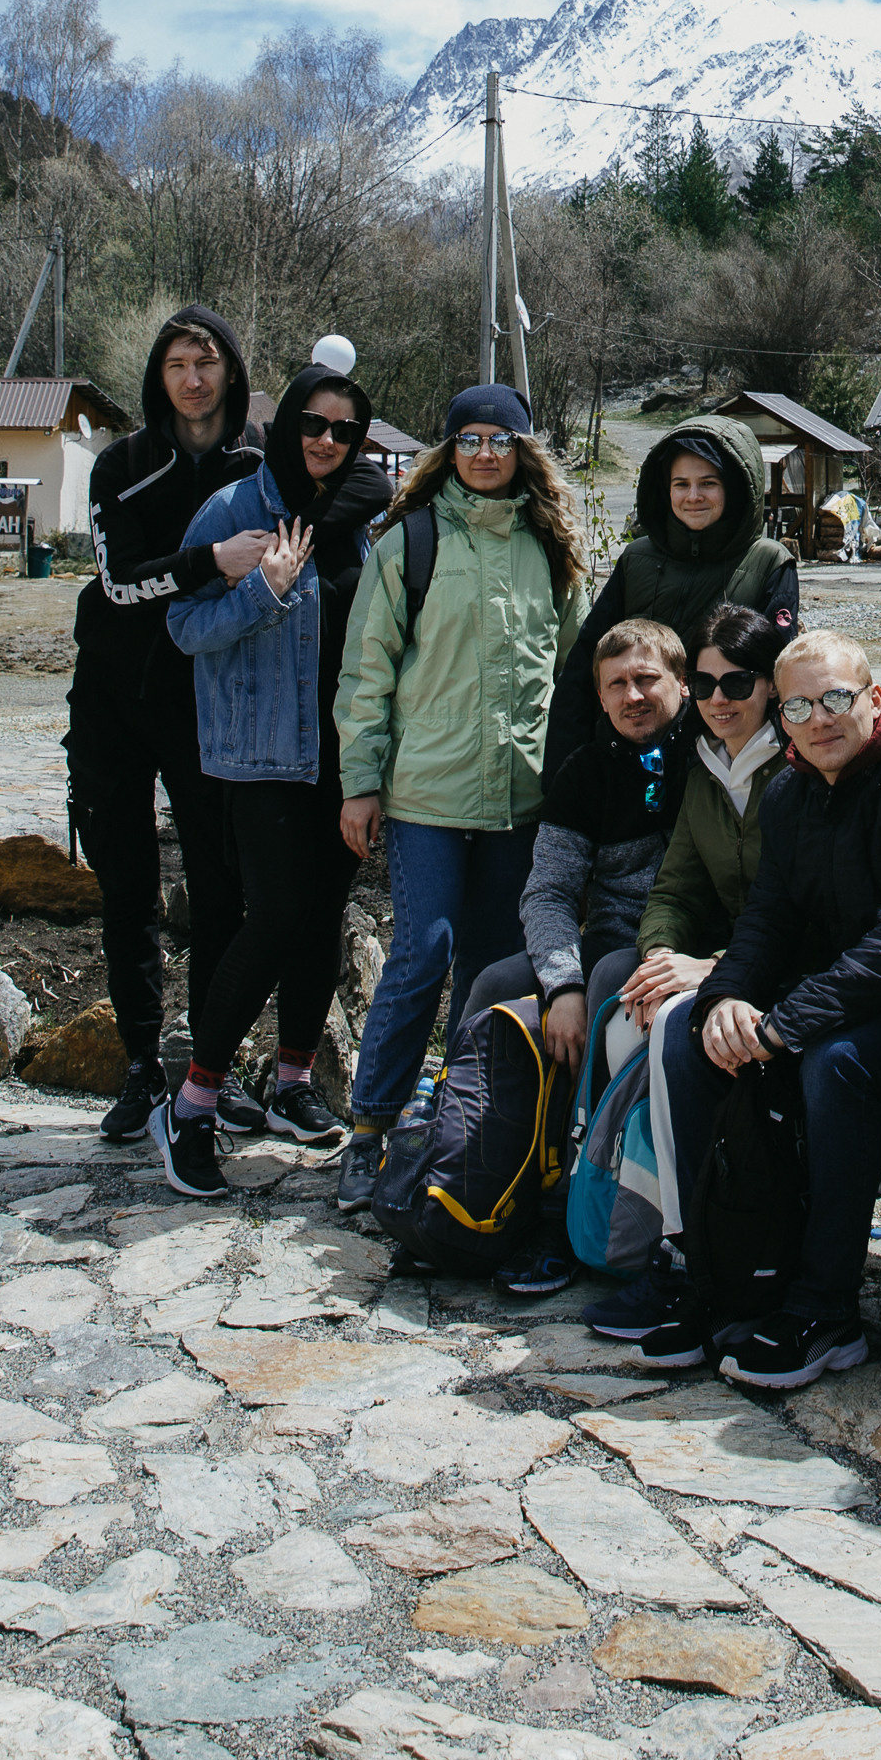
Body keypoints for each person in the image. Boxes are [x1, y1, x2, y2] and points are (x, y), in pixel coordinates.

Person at [655, 630, 881, 1390]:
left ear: (874, 697)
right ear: (783, 718)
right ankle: (726, 1279)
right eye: (798, 707)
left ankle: (825, 1308)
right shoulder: (794, 792)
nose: (819, 719)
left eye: (836, 698)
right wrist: (727, 998)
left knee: (835, 1064)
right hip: (841, 1001)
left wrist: (783, 1025)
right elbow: (767, 919)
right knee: (689, 1038)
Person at [331, 385, 587, 1212]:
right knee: (422, 954)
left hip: (521, 797)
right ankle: (369, 1128)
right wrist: (360, 784)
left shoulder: (548, 547)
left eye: (500, 439)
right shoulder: (410, 541)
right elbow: (366, 673)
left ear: (522, 450)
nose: (484, 453)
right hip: (426, 795)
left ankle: (464, 1121)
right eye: (469, 439)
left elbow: (575, 674)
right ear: (448, 450)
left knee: (492, 967)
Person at [155, 368, 386, 1197]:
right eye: (314, 424)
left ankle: (291, 1083)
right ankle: (191, 1104)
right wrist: (263, 588)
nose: (326, 440)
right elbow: (183, 627)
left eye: (344, 430)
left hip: (342, 758)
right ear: (287, 423)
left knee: (322, 918)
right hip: (261, 754)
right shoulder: (234, 511)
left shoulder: (358, 518)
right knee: (276, 918)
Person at [65, 308, 265, 1145]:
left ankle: (211, 1066)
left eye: (206, 362)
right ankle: (142, 1065)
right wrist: (210, 563)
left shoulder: (260, 460)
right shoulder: (121, 464)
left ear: (230, 373)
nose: (193, 378)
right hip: (112, 702)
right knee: (128, 889)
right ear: (159, 375)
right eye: (178, 364)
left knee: (221, 891)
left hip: (210, 706)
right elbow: (118, 582)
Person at [454, 619, 695, 1298]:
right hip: (601, 943)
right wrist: (561, 985)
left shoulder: (709, 757)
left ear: (681, 684)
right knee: (495, 985)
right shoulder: (587, 771)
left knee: (612, 988)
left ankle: (566, 1215)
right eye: (616, 684)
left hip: (677, 951)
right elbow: (549, 892)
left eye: (647, 679)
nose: (633, 696)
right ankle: (474, 1180)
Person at [580, 601, 788, 1348]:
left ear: (769, 684)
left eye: (737, 682)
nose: (719, 699)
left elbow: (806, 912)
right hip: (723, 963)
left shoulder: (796, 767)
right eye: (704, 685)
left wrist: (711, 969)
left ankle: (688, 1248)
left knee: (674, 1028)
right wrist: (658, 959)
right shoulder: (706, 768)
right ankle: (631, 1230)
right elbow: (674, 888)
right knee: (628, 1019)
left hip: (784, 970)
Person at [544, 414, 796, 782]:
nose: (693, 496)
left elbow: (779, 678)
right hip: (625, 756)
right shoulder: (637, 559)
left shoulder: (769, 562)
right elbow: (585, 666)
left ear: (738, 488)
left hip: (717, 768)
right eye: (681, 484)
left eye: (708, 483)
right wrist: (560, 774)